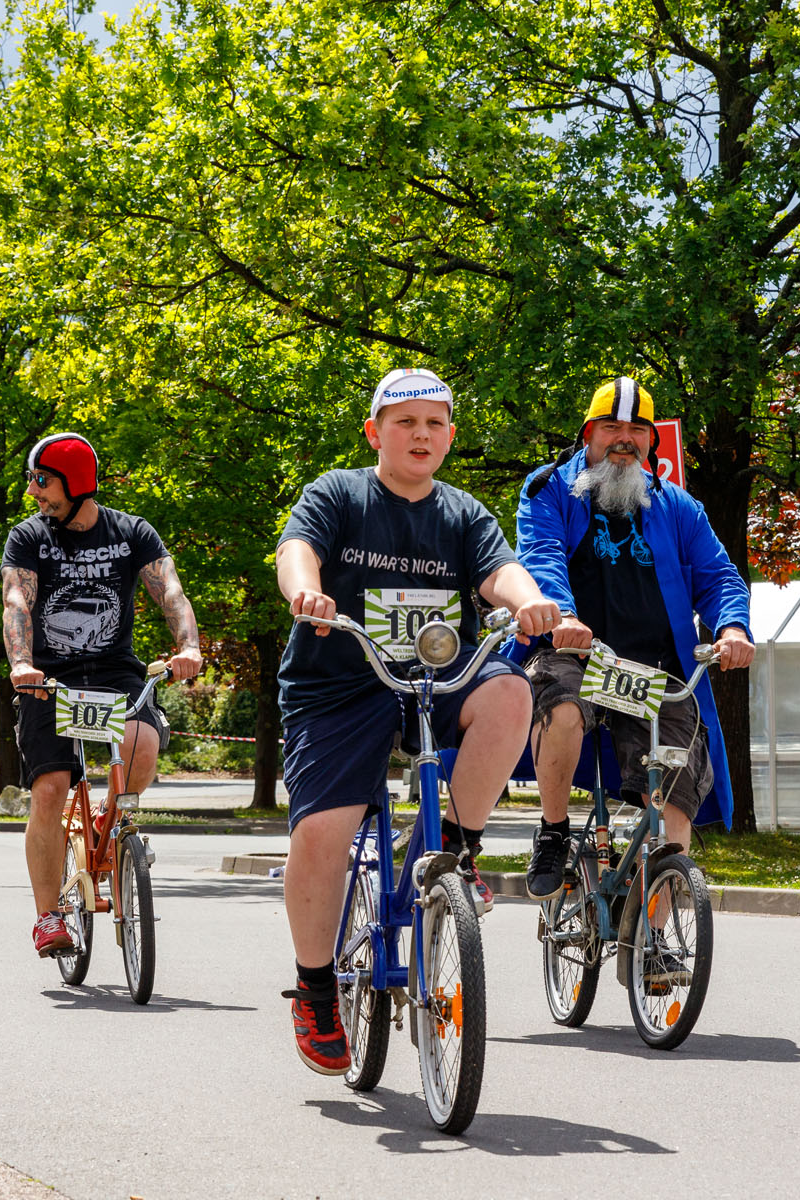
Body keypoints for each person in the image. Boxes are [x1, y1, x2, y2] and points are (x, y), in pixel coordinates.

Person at [274, 368, 559, 1075]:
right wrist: (306, 591)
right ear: (376, 432)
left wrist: (535, 604)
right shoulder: (338, 493)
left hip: (436, 677)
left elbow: (502, 572)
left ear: (450, 437)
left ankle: (456, 847)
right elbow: (296, 548)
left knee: (513, 694)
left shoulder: (462, 513)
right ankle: (314, 990)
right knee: (322, 832)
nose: (421, 434)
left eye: (434, 423)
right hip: (341, 682)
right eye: (405, 422)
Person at [515, 377, 754, 922]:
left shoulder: (679, 507)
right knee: (563, 708)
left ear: (651, 442)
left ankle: (657, 940)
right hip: (575, 653)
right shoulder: (549, 487)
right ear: (588, 435)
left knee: (675, 795)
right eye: (612, 428)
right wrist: (563, 616)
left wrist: (732, 628)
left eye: (636, 430)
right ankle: (553, 833)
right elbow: (541, 553)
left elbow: (718, 576)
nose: (624, 439)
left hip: (653, 667)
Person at [1, 432, 203, 958]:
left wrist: (188, 646)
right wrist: (21, 662)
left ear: (76, 483)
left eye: (41, 481)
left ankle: (107, 824)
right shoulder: (29, 537)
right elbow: (17, 600)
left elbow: (171, 591)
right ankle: (48, 917)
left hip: (114, 671)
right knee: (49, 789)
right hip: (48, 676)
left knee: (143, 746)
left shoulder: (132, 533)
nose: (33, 492)